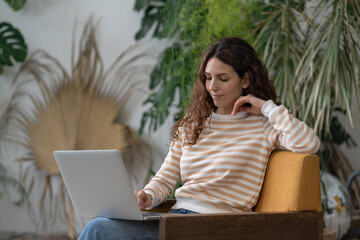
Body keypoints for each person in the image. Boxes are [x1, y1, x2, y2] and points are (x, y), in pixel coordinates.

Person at [78, 37, 320, 239]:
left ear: (245, 80)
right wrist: (147, 196)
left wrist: (267, 108)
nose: (212, 86)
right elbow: (165, 178)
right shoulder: (194, 123)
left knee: (98, 230)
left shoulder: (264, 126)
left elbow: (309, 144)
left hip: (216, 227)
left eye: (223, 79)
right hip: (176, 220)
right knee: (99, 225)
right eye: (208, 77)